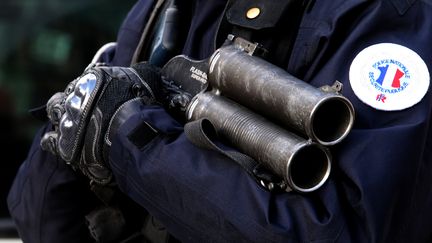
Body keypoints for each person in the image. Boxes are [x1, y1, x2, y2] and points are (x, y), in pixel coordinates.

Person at [7, 0, 432, 242]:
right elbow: (39, 217)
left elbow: (340, 231)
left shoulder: (383, 14)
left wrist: (132, 139)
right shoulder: (165, 8)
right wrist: (76, 127)